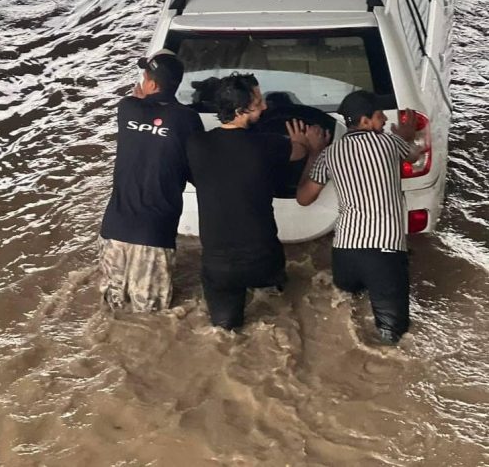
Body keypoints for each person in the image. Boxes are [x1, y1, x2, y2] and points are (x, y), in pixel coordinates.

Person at [186, 73, 327, 330]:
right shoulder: (268, 144)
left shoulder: (196, 143)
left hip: (217, 266)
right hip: (264, 261)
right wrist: (306, 145)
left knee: (225, 329)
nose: (265, 107)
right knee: (283, 311)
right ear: (240, 110)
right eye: (258, 102)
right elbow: (299, 151)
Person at [296, 90, 420, 344]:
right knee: (392, 337)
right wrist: (408, 135)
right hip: (385, 252)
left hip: (345, 253)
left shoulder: (329, 154)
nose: (385, 121)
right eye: (379, 117)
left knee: (346, 313)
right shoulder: (388, 143)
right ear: (365, 121)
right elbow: (414, 156)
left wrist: (313, 153)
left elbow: (304, 198)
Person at [98, 49, 203, 312]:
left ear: (151, 84)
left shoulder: (127, 108)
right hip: (155, 231)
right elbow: (196, 168)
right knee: (150, 316)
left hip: (115, 227)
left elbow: (141, 109)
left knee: (112, 310)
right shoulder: (188, 119)